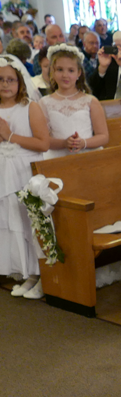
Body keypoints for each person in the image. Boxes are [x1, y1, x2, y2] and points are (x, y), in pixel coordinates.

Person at [0, 54, 49, 300]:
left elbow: (43, 143)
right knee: (9, 220)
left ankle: (39, 272)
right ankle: (24, 271)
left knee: (27, 221)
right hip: (2, 169)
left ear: (20, 82)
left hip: (23, 168)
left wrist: (9, 136)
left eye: (11, 79)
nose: (5, 84)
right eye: (0, 79)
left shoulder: (30, 107)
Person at [41, 44, 109, 159]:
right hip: (57, 158)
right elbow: (43, 139)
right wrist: (63, 143)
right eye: (59, 69)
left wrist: (84, 143)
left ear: (78, 73)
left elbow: (103, 136)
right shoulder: (44, 103)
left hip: (88, 156)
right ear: (52, 71)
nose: (65, 75)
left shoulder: (90, 101)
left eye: (71, 70)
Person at [88, 29, 121, 100]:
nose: (119, 50)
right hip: (108, 105)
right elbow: (92, 89)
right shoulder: (109, 61)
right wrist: (102, 68)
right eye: (116, 47)